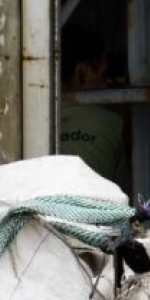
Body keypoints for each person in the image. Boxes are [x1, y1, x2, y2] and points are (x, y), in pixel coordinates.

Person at [59, 24, 129, 188]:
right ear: (82, 72)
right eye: (103, 75)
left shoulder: (27, 122)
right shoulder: (115, 125)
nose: (106, 84)